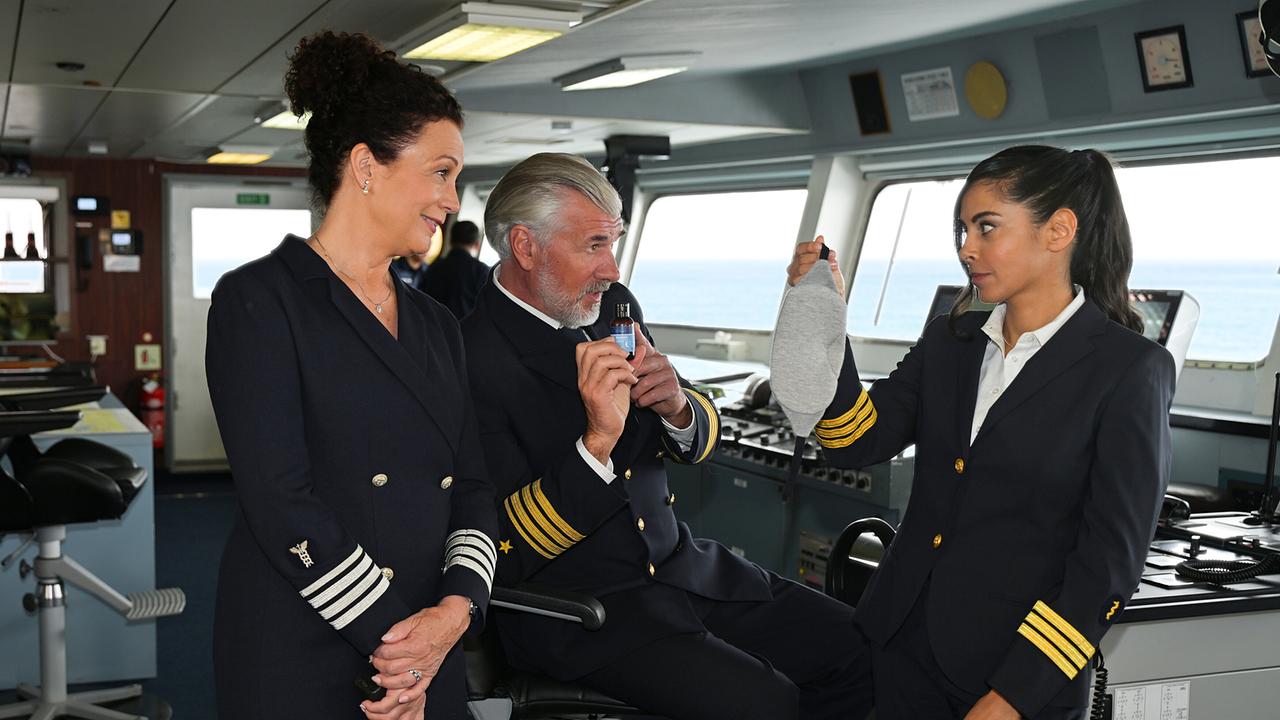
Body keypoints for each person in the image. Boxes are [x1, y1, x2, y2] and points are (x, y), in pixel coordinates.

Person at [461, 152, 873, 720]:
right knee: (768, 704)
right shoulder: (469, 361)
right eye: (593, 246)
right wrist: (596, 445)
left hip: (682, 568)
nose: (612, 269)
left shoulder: (614, 309)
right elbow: (501, 550)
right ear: (526, 248)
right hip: (586, 613)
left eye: (615, 242)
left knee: (861, 648)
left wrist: (678, 407)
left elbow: (693, 436)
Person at [788, 145, 1174, 720]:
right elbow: (853, 438)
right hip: (898, 645)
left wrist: (1015, 695)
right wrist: (826, 315)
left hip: (1011, 673)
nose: (967, 247)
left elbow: (1107, 564)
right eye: (962, 230)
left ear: (1058, 230)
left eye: (987, 227)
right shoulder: (953, 342)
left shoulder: (1128, 369)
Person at [205, 31, 497, 720]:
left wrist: (455, 613)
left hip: (428, 641)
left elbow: (476, 487)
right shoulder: (258, 301)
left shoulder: (436, 326)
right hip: (308, 642)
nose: (453, 201)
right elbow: (282, 502)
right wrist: (399, 647)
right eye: (441, 172)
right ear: (366, 166)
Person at [423, 220, 488, 318]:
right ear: (477, 245)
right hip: (464, 331)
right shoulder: (481, 271)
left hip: (429, 328)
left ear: (450, 240)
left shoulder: (435, 266)